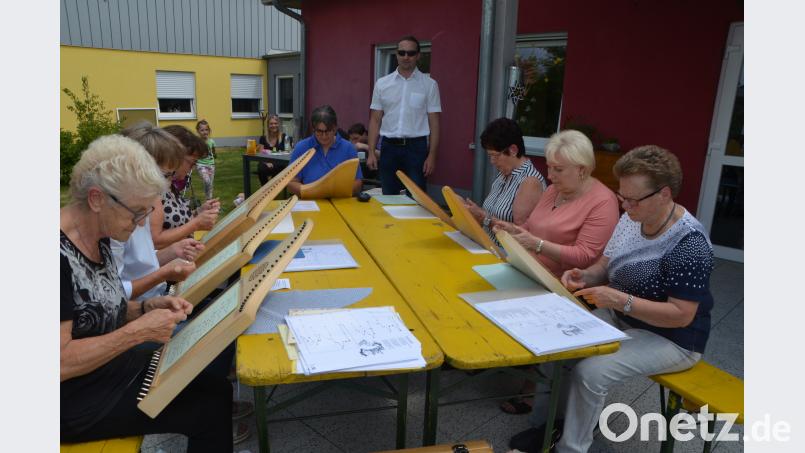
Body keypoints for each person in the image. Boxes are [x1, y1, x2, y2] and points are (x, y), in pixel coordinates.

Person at [508, 146, 714, 453]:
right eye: (622, 197)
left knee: (591, 373)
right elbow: (605, 265)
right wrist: (585, 276)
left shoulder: (689, 243)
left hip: (673, 338)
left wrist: (620, 300)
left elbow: (681, 315)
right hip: (623, 316)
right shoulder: (632, 218)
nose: (626, 206)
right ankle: (548, 428)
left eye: (633, 200)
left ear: (664, 194)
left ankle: (572, 447)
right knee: (558, 347)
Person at [60, 134, 233, 451]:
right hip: (75, 399)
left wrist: (145, 308)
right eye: (137, 213)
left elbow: (96, 307)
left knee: (212, 382)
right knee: (209, 406)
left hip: (107, 367)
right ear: (97, 199)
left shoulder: (99, 233)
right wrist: (136, 333)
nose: (141, 223)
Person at [493, 129, 619, 415]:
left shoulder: (603, 201)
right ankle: (503, 359)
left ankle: (531, 386)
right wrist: (515, 230)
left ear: (582, 170)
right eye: (549, 167)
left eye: (558, 169)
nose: (550, 175)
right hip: (533, 272)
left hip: (568, 286)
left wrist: (536, 244)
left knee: (505, 299)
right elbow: (533, 227)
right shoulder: (555, 190)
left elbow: (586, 256)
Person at [113, 123, 200, 301]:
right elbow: (110, 294)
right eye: (166, 175)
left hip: (156, 298)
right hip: (140, 309)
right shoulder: (112, 218)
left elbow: (139, 264)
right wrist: (162, 274)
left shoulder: (142, 203)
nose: (169, 184)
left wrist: (173, 250)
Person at [367, 35, 441, 195]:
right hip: (389, 147)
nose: (406, 57)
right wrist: (371, 152)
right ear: (396, 54)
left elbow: (434, 123)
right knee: (389, 196)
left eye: (411, 53)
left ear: (418, 55)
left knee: (417, 197)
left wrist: (432, 155)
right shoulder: (382, 84)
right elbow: (375, 120)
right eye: (402, 53)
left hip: (416, 148)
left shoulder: (429, 85)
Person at [462, 118, 546, 243]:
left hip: (503, 251)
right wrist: (473, 212)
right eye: (490, 156)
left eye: (495, 155)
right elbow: (492, 213)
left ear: (513, 150)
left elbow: (521, 234)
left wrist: (483, 217)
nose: (492, 161)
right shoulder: (503, 174)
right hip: (486, 244)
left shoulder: (530, 182)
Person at [152, 125, 220, 249]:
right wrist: (196, 224)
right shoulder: (154, 188)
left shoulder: (170, 183)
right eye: (192, 163)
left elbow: (174, 220)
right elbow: (155, 240)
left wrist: (198, 212)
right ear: (175, 156)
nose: (192, 168)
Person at [287, 105, 363, 197]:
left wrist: (338, 192)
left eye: (328, 131)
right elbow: (291, 183)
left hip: (340, 201)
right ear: (313, 129)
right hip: (310, 201)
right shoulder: (301, 147)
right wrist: (311, 191)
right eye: (319, 131)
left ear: (335, 128)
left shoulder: (348, 148)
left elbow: (357, 182)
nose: (324, 136)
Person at [256, 114, 290, 185]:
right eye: (271, 123)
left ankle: (271, 188)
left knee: (280, 168)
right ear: (268, 125)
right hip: (266, 162)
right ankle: (265, 188)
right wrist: (266, 162)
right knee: (261, 168)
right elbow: (260, 154)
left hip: (280, 162)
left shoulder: (284, 137)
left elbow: (288, 152)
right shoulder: (263, 138)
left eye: (275, 123)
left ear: (278, 125)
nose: (273, 125)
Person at [195, 119, 216, 200]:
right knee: (207, 181)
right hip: (201, 165)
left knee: (210, 183)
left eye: (206, 130)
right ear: (198, 131)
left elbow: (213, 151)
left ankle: (209, 199)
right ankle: (208, 198)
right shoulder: (198, 142)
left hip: (211, 165)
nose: (205, 132)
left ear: (209, 130)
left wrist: (214, 155)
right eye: (202, 130)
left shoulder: (211, 141)